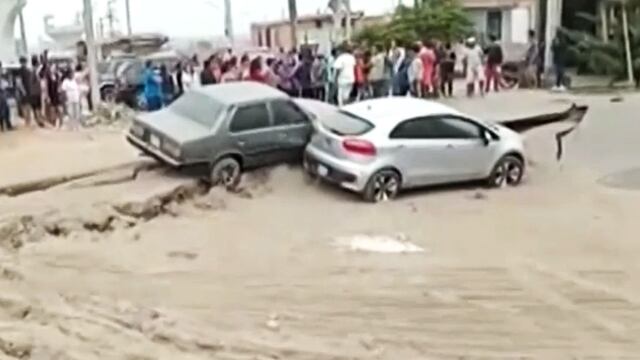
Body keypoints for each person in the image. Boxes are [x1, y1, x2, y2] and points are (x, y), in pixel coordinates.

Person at [0, 62, 11, 132]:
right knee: (4, 109)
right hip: (1, 92)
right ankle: (5, 125)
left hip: (2, 92)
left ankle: (4, 126)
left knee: (4, 109)